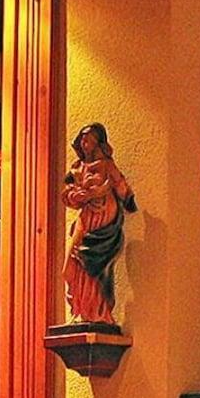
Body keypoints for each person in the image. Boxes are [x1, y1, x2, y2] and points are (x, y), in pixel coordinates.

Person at [62, 123, 136, 325]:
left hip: (104, 219)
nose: (85, 144)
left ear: (98, 143)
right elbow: (67, 195)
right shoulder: (77, 168)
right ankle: (80, 310)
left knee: (96, 264)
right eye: (83, 140)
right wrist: (80, 195)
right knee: (71, 265)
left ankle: (98, 312)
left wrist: (127, 199)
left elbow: (121, 186)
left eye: (89, 140)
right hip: (86, 218)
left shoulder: (106, 165)